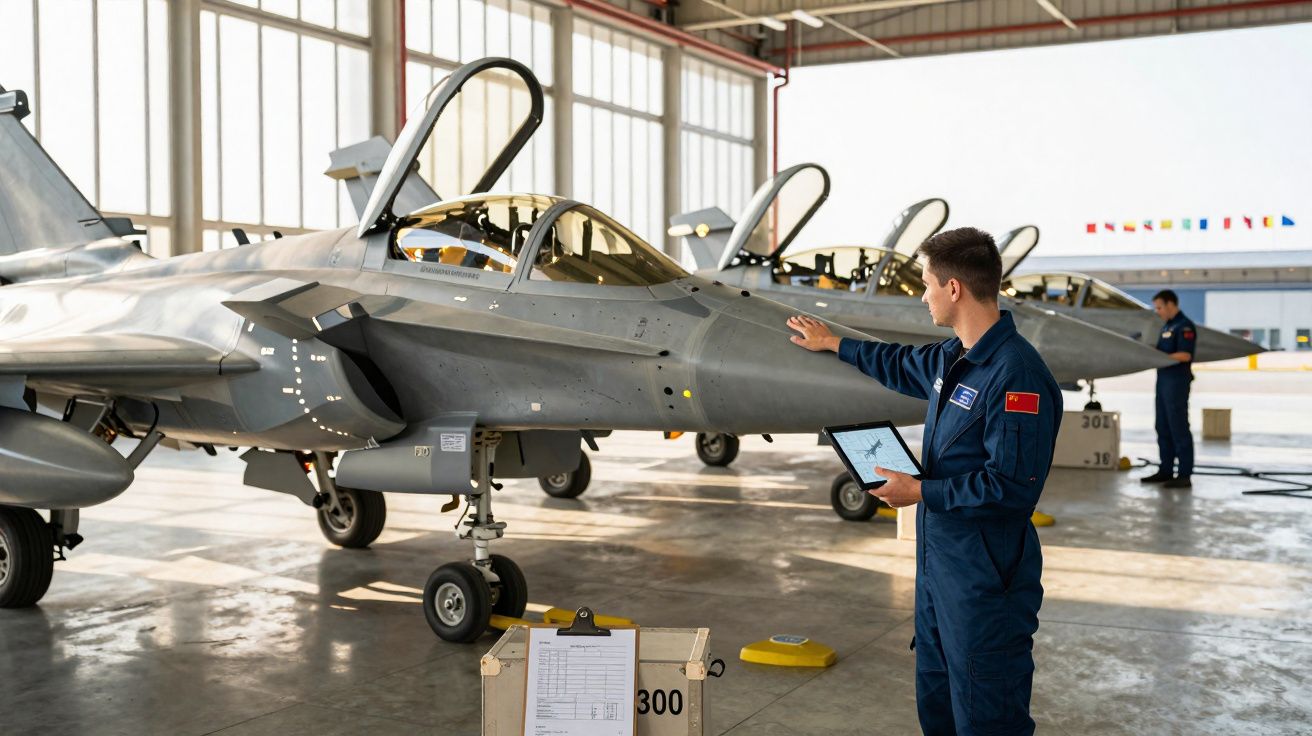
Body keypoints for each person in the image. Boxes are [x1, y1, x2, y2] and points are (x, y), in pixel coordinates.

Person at [788, 227, 1061, 736]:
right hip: (941, 574)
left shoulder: (1015, 375)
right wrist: (833, 343)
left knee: (987, 716)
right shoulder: (953, 358)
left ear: (953, 289)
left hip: (985, 581)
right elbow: (895, 362)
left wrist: (919, 492)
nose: (922, 294)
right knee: (937, 705)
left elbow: (1012, 487)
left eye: (927, 283)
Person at [1139, 289, 1197, 489]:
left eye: (1160, 307)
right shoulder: (1167, 326)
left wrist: (1160, 358)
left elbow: (1185, 355)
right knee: (1162, 426)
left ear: (1171, 304)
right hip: (1163, 382)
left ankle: (1184, 474)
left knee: (1178, 428)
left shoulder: (1184, 326)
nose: (1158, 311)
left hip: (1177, 383)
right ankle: (1166, 470)